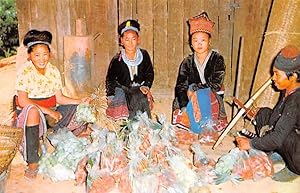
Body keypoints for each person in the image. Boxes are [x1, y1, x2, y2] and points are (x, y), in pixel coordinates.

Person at [15, 29, 91, 179]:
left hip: (51, 111)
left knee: (81, 109)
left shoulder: (53, 71)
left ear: (50, 54)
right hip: (30, 113)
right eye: (37, 55)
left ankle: (67, 135)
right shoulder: (24, 71)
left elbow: (60, 98)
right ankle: (33, 162)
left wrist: (79, 101)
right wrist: (50, 112)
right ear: (29, 55)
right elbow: (23, 101)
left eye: (45, 54)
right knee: (33, 112)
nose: (41, 59)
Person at [236, 45, 300, 182]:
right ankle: (279, 153)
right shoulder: (289, 88)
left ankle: (293, 167)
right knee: (264, 113)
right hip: (293, 140)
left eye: (277, 74)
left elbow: (278, 137)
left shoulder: (296, 100)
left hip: (298, 156)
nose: (273, 78)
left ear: (293, 76)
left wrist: (251, 143)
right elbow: (276, 116)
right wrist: (255, 117)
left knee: (284, 135)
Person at [172, 12, 227, 134]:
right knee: (181, 102)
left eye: (203, 40)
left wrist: (196, 89)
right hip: (190, 95)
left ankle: (208, 126)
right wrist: (184, 104)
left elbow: (216, 84)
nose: (199, 43)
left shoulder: (217, 59)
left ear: (209, 41)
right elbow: (181, 85)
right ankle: (189, 123)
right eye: (195, 40)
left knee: (200, 93)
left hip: (211, 93)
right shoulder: (187, 62)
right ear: (191, 43)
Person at [105, 19, 154, 120]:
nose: (130, 43)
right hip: (123, 89)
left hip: (139, 88)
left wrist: (147, 86)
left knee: (141, 99)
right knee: (126, 102)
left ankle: (142, 126)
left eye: (133, 39)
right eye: (127, 39)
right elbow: (110, 79)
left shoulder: (144, 55)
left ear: (138, 39)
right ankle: (130, 124)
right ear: (121, 41)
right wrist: (110, 96)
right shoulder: (117, 59)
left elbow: (149, 73)